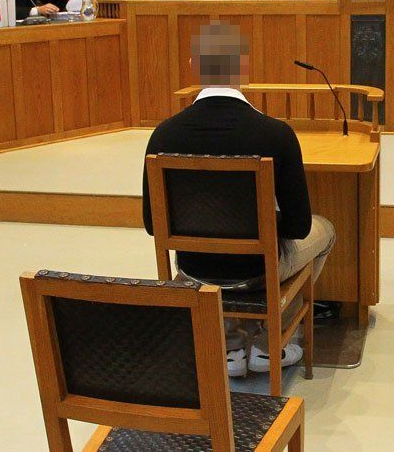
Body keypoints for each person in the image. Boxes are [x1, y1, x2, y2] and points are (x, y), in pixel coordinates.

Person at [141, 20, 336, 377]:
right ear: (244, 66)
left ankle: (229, 346)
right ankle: (269, 343)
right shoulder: (275, 134)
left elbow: (154, 224)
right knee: (326, 231)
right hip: (256, 271)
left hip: (193, 269)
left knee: (221, 245)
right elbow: (298, 226)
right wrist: (258, 219)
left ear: (194, 67)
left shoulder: (163, 135)